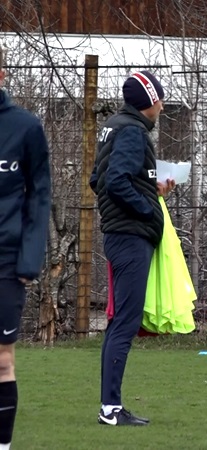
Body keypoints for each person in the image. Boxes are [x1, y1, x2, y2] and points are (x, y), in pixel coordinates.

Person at [89, 70, 175, 426]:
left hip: (118, 234)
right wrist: (146, 209)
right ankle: (110, 410)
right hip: (130, 236)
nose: (162, 105)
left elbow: (99, 178)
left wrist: (153, 188)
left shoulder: (114, 126)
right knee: (124, 322)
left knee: (119, 322)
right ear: (149, 101)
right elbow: (114, 183)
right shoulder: (134, 131)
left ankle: (110, 406)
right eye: (159, 99)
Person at [0, 47, 52, 449]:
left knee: (2, 361)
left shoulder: (25, 127)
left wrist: (29, 258)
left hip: (6, 262)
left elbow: (39, 196)